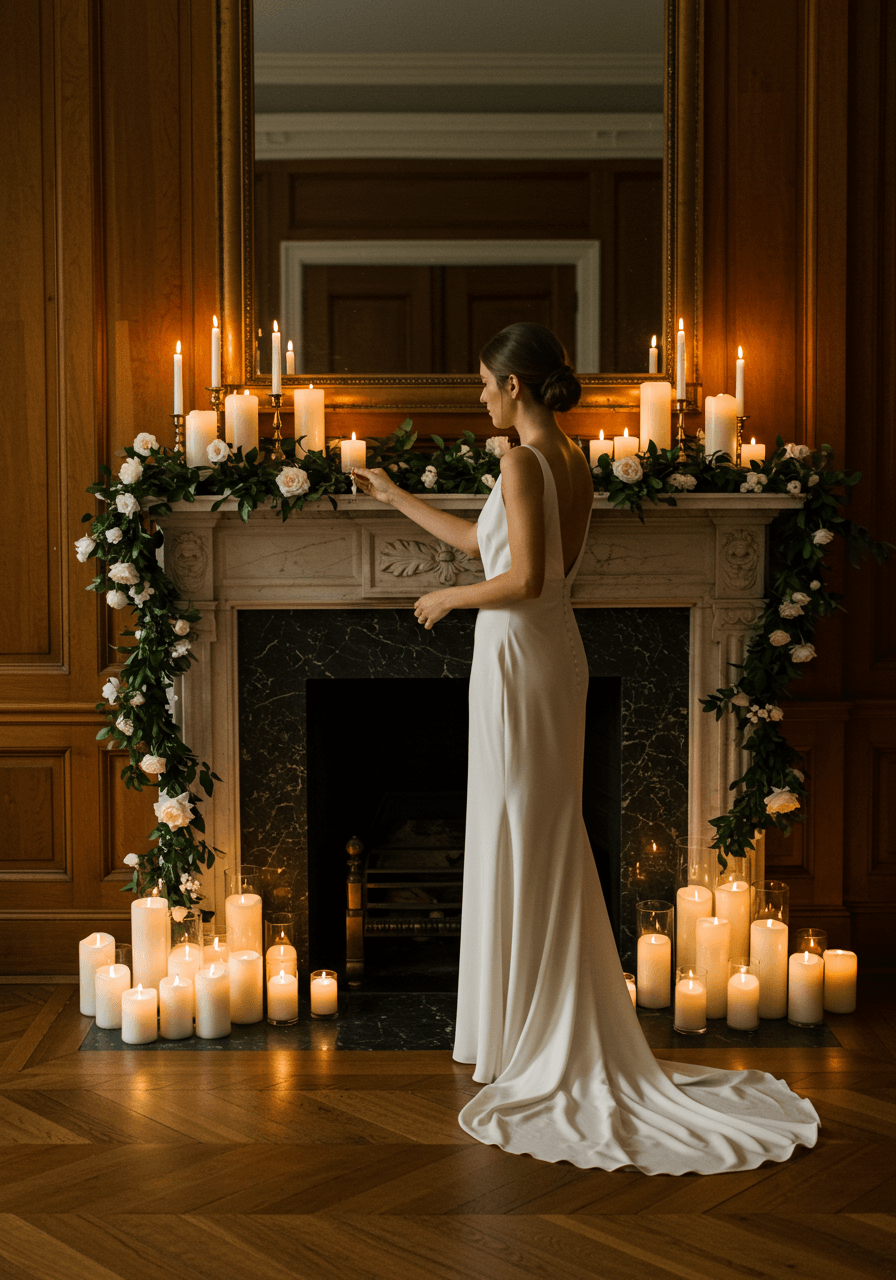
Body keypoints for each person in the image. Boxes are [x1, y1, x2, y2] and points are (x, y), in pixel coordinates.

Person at [351, 322, 820, 1174]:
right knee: (529, 828)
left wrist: (448, 602)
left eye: (487, 384)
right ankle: (514, 1023)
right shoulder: (569, 459)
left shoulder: (524, 462)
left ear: (517, 387)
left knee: (526, 831)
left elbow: (522, 577)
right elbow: (489, 542)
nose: (479, 397)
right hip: (544, 651)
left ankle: (529, 1030)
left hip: (520, 649)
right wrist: (394, 499)